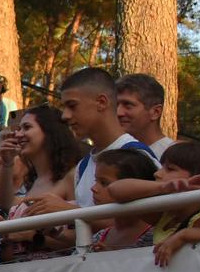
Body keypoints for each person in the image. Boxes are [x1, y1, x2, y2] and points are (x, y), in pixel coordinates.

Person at [101, 141, 200, 265]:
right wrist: (162, 187)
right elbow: (115, 190)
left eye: (170, 169)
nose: (157, 173)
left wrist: (187, 234)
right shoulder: (165, 216)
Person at [0, 104, 85, 261]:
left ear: (50, 132)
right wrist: (6, 163)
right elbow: (4, 203)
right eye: (18, 129)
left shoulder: (72, 175)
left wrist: (32, 237)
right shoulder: (33, 182)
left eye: (26, 127)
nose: (18, 135)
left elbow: (82, 236)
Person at [60, 67, 158, 209]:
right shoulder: (83, 166)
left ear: (101, 102)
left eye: (72, 106)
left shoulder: (136, 154)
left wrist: (68, 212)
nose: (65, 115)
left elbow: (146, 221)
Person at [87, 149, 160, 251]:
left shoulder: (155, 237)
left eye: (104, 183)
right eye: (96, 180)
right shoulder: (99, 236)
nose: (93, 188)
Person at [115, 73, 175, 158]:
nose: (118, 113)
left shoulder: (172, 157)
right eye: (116, 105)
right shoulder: (112, 152)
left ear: (155, 112)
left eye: (128, 105)